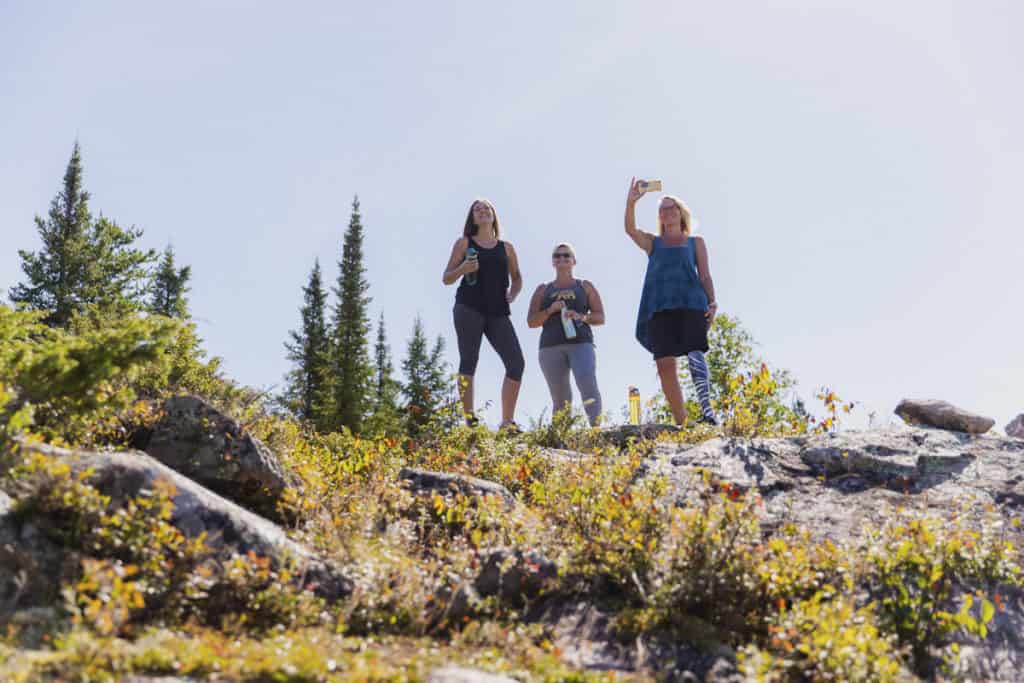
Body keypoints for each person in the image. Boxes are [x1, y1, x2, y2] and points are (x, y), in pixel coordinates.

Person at [625, 178, 719, 426]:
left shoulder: (695, 242)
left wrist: (712, 302)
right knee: (664, 365)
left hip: (692, 303)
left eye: (672, 207)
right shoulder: (653, 243)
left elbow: (705, 275)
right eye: (662, 209)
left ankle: (708, 413)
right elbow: (630, 230)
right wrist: (631, 202)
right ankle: (683, 423)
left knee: (696, 355)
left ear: (681, 213)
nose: (667, 212)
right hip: (659, 306)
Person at [442, 198, 525, 431]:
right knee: (469, 360)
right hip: (469, 307)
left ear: (493, 215)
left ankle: (507, 422)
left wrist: (513, 294)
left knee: (516, 362)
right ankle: (471, 421)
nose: (482, 211)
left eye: (486, 208)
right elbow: (447, 277)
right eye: (477, 209)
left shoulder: (506, 248)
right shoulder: (464, 243)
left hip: (498, 311)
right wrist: (463, 269)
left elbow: (517, 278)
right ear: (472, 218)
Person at [527, 242, 605, 426]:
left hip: (581, 343)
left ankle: (596, 431)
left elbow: (600, 317)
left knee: (587, 383)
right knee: (560, 395)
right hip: (550, 347)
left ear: (573, 261)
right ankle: (561, 436)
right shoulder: (543, 290)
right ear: (553, 262)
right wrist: (550, 311)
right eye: (557, 256)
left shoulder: (584, 286)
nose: (562, 259)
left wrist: (581, 317)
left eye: (566, 255)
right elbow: (531, 321)